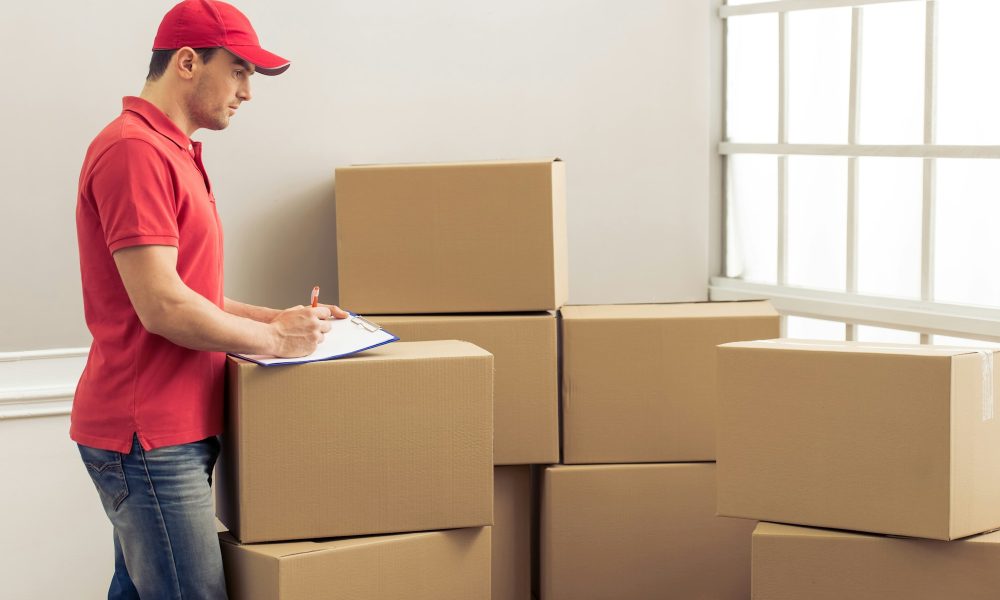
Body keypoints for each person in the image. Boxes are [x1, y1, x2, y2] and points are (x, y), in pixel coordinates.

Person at [72, 1, 346, 597]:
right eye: (241, 71)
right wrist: (276, 340)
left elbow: (192, 293)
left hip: (173, 430)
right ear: (189, 62)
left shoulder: (171, 151)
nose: (248, 92)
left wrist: (280, 318)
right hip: (148, 435)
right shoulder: (134, 151)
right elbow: (165, 307)